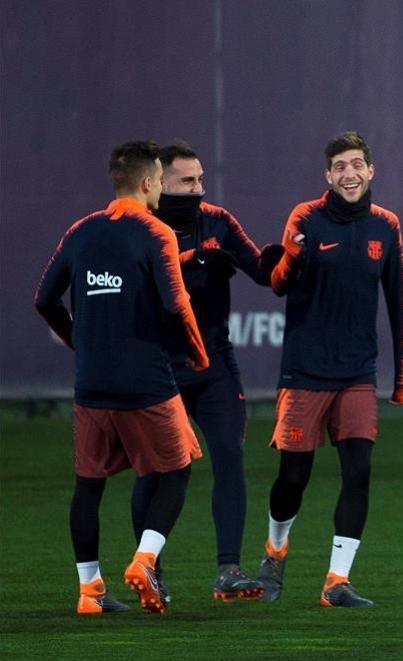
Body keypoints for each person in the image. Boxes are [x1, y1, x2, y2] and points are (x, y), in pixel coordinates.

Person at [34, 140, 209, 614]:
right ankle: (145, 559)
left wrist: (78, 342)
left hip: (92, 384)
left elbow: (43, 298)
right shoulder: (156, 233)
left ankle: (89, 591)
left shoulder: (80, 231)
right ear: (151, 182)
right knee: (178, 469)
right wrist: (198, 355)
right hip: (147, 381)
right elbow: (177, 302)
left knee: (88, 486)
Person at [255, 131, 403, 608]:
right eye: (340, 166)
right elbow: (279, 284)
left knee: (359, 472)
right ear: (328, 175)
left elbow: (400, 301)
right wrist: (293, 258)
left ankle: (336, 581)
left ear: (371, 171)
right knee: (294, 477)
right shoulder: (306, 218)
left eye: (357, 164)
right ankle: (274, 553)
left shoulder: (386, 226)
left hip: (357, 374)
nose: (349, 173)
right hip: (305, 371)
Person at [129, 140, 282, 603]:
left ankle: (228, 570)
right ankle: (150, 569)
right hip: (159, 368)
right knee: (155, 472)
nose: (198, 189)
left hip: (214, 364)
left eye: (201, 179)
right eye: (187, 182)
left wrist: (286, 260)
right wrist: (190, 262)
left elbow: (261, 271)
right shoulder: (140, 228)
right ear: (157, 183)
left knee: (230, 457)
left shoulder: (218, 221)